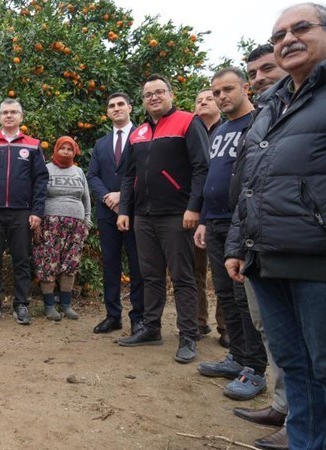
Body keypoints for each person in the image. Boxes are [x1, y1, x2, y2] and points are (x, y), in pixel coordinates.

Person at [225, 4, 326, 448]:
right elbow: (248, 182)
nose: (288, 39)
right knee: (294, 362)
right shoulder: (271, 104)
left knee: (323, 367)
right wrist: (237, 244)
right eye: (280, 33)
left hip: (315, 257)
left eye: (301, 27)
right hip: (265, 255)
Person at [117, 74, 209, 364]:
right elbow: (129, 175)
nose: (154, 97)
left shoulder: (187, 122)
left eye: (159, 92)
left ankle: (188, 336)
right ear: (142, 102)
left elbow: (201, 167)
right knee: (150, 276)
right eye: (148, 95)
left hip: (176, 215)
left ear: (171, 94)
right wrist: (124, 211)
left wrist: (194, 207)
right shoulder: (139, 132)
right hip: (143, 216)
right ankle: (151, 328)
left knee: (183, 277)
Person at [193, 68, 268, 402]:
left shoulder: (258, 123)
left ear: (245, 88)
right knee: (224, 293)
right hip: (217, 221)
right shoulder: (220, 129)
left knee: (243, 297)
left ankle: (255, 368)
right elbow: (212, 176)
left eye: (227, 90)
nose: (221, 97)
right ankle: (237, 356)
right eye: (216, 92)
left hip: (243, 222)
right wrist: (205, 219)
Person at [229, 43, 289, 450]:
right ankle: (285, 406)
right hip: (259, 238)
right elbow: (247, 185)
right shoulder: (267, 117)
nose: (262, 76)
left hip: (302, 243)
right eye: (256, 71)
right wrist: (238, 242)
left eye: (270, 67)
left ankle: (302, 423)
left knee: (311, 345)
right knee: (277, 331)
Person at [0, 98, 49, 325]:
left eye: (14, 112)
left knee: (22, 260)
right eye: (5, 112)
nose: (9, 116)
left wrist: (37, 211)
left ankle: (21, 304)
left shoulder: (32, 145)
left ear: (21, 117)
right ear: (0, 116)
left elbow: (41, 180)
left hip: (22, 212)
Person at [87, 93, 145, 334]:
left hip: (135, 211)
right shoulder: (101, 143)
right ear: (107, 112)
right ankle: (113, 315)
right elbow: (92, 176)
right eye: (111, 106)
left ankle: (139, 318)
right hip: (107, 212)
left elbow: (146, 171)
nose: (116, 108)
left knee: (137, 265)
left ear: (130, 107)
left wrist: (123, 195)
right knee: (110, 264)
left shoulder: (142, 136)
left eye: (121, 104)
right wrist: (108, 197)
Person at [33, 136, 91, 321]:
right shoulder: (46, 169)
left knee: (70, 264)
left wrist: (87, 222)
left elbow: (86, 198)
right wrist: (38, 222)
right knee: (48, 263)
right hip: (50, 224)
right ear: (56, 150)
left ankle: (66, 305)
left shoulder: (79, 171)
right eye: (62, 148)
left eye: (70, 149)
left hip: (76, 225)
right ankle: (49, 306)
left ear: (75, 152)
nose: (66, 151)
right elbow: (37, 195)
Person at [193, 88, 226, 346]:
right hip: (194, 211)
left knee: (224, 272)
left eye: (208, 98)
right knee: (194, 270)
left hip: (220, 212)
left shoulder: (228, 131)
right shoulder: (191, 133)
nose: (203, 102)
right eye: (198, 100)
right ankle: (198, 321)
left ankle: (226, 327)